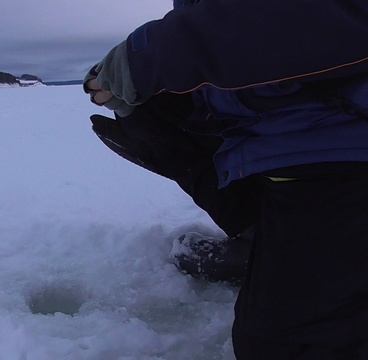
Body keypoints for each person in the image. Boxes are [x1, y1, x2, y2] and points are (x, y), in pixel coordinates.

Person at [84, 0, 368, 358]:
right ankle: (262, 243)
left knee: (288, 344)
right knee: (154, 119)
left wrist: (156, 54)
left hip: (344, 142)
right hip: (287, 136)